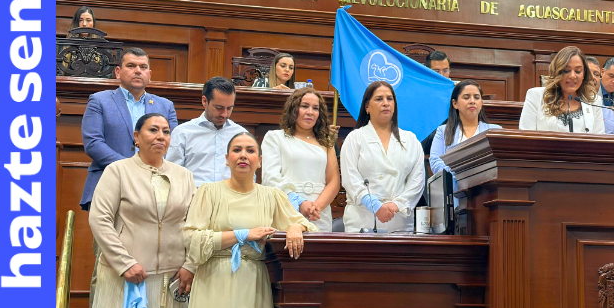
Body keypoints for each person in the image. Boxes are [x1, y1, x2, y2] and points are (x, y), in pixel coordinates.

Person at [178, 132, 318, 308]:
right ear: (227, 158)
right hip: (213, 280)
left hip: (252, 281)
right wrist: (241, 234)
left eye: (250, 150)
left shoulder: (272, 196)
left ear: (260, 160)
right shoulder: (208, 191)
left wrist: (295, 229)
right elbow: (191, 238)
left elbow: (303, 224)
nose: (244, 155)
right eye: (237, 150)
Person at [81, 114, 196, 308]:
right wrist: (124, 263)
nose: (160, 136)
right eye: (153, 130)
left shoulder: (185, 175)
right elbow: (100, 219)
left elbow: (196, 223)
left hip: (170, 279)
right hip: (129, 277)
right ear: (136, 136)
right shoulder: (117, 171)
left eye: (166, 131)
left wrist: (190, 264)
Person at [80, 47, 177, 308]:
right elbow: (93, 143)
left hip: (153, 196)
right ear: (118, 72)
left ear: (150, 73)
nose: (138, 71)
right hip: (109, 192)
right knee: (108, 265)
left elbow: (170, 147)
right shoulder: (100, 100)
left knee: (146, 264)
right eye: (132, 66)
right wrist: (130, 169)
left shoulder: (164, 106)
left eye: (143, 67)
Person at [340, 81, 425, 233]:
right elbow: (350, 178)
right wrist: (375, 205)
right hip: (362, 218)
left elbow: (417, 182)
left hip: (399, 220)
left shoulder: (411, 140)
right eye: (379, 99)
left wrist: (396, 205)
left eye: (389, 99)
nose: (385, 103)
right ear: (367, 107)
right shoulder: (355, 138)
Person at [262, 88, 340, 232]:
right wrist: (299, 203)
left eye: (315, 108)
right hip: (286, 209)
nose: (310, 112)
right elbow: (270, 178)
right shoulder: (275, 138)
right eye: (304, 106)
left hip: (318, 215)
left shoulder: (326, 142)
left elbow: (334, 181)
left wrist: (316, 207)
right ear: (293, 109)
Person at [167, 76, 249, 187]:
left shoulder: (241, 135)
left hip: (231, 198)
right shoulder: (183, 133)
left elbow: (248, 175)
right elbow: (173, 175)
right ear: (204, 101)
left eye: (229, 108)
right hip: (194, 198)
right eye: (219, 107)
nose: (224, 114)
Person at [519, 46, 605, 134]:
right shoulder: (535, 96)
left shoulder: (594, 101)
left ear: (584, 74)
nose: (572, 76)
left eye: (578, 71)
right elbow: (526, 138)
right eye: (566, 70)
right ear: (557, 72)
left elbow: (599, 142)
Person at [430, 80, 501, 176]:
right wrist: (459, 176)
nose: (472, 101)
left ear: (481, 103)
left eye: (476, 97)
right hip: (455, 187)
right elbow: (435, 161)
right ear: (455, 103)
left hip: (488, 187)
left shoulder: (495, 131)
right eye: (466, 97)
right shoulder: (443, 131)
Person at [586, 57, 614, 135]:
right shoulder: (566, 105)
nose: (592, 77)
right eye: (588, 73)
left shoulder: (609, 114)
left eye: (596, 74)